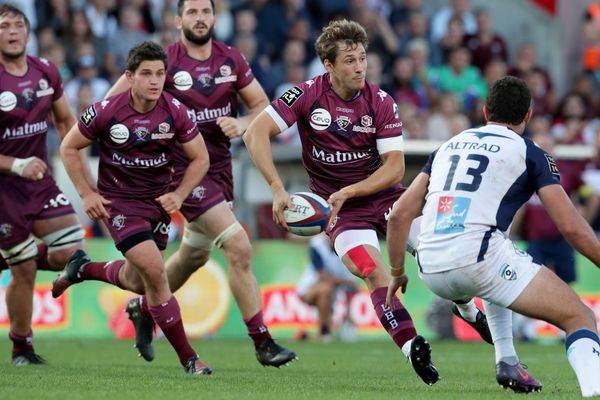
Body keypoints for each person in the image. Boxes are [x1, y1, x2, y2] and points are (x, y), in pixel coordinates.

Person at [243, 18, 441, 385]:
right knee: (372, 272)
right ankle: (411, 346)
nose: (359, 66)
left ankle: (467, 310)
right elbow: (256, 132)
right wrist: (275, 187)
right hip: (341, 215)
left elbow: (395, 169)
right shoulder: (305, 95)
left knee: (440, 255)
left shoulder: (380, 101)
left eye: (362, 57)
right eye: (349, 60)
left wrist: (349, 190)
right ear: (328, 65)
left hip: (386, 200)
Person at [104, 0, 297, 367]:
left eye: (205, 12)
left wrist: (241, 125)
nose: (199, 18)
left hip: (221, 169)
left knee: (195, 255)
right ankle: (263, 342)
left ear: (214, 17)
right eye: (191, 12)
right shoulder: (164, 62)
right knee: (239, 245)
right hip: (181, 170)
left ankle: (145, 309)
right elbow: (108, 105)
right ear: (179, 20)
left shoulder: (232, 60)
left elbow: (261, 106)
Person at [387, 76, 600, 397]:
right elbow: (571, 226)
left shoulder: (448, 146)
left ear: (486, 111)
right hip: (477, 259)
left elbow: (399, 215)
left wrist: (395, 272)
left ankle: (507, 359)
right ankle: (595, 390)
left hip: (428, 266)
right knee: (580, 316)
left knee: (497, 250)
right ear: (528, 116)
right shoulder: (530, 151)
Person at [53, 41, 213, 376]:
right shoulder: (107, 111)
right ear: (130, 76)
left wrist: (180, 195)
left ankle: (82, 268)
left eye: (160, 74)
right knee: (156, 274)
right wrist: (86, 194)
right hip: (119, 204)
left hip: (157, 204)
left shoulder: (175, 111)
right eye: (146, 74)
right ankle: (190, 359)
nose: (154, 81)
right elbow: (69, 147)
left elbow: (201, 158)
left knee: (137, 281)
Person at [0, 4, 87, 365]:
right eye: (4, 26)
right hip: (4, 191)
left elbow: (66, 121)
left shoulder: (46, 71)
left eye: (19, 24)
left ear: (29, 32)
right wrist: (17, 164)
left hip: (41, 184)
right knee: (23, 270)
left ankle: (15, 255)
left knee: (75, 255)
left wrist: (81, 174)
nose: (12, 31)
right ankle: (22, 347)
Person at [295, 234, 359, 342]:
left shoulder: (346, 252)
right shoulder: (317, 245)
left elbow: (350, 289)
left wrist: (349, 314)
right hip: (307, 289)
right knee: (326, 289)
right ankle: (325, 331)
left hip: (329, 293)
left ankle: (316, 335)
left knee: (327, 292)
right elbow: (322, 276)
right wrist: (347, 281)